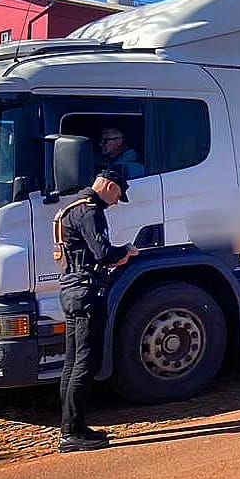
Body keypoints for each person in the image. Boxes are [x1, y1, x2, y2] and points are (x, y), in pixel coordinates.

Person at [54, 170, 139, 452]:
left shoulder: (69, 209)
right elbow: (103, 254)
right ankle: (73, 433)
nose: (116, 202)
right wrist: (126, 252)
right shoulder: (90, 212)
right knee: (85, 362)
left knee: (71, 362)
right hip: (87, 290)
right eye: (118, 196)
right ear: (109, 186)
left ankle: (70, 426)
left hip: (70, 289)